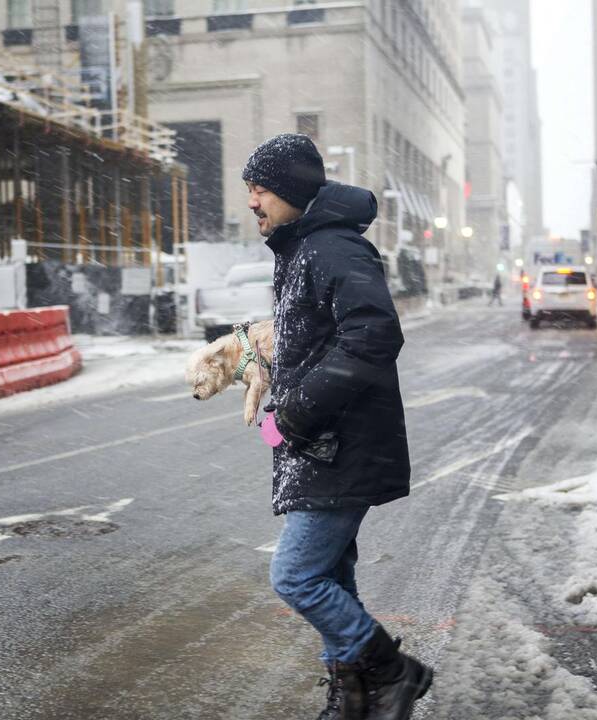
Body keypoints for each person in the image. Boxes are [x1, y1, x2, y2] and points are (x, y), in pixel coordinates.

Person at [242, 133, 432, 720]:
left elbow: (373, 334)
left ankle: (390, 670)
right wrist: (258, 359)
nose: (252, 201)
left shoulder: (333, 249)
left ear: (294, 191)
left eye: (261, 188)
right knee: (330, 577)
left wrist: (297, 410)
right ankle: (352, 698)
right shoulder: (302, 249)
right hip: (316, 444)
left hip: (335, 443)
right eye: (250, 188)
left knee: (296, 576)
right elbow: (316, 339)